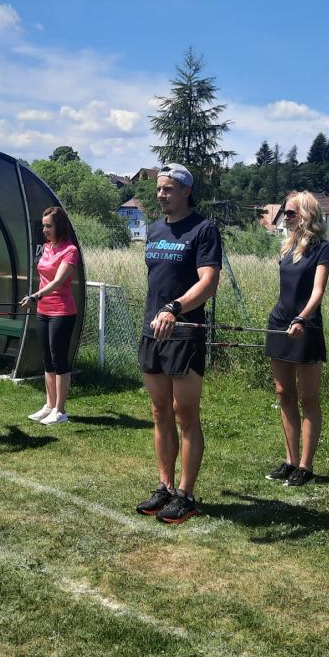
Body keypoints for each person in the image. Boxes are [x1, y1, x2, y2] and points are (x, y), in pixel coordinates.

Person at [134, 163, 222, 524]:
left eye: (168, 189)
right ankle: (165, 487)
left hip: (184, 332)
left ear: (186, 191)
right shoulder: (155, 229)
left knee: (185, 414)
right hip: (152, 330)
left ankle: (186, 494)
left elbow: (208, 282)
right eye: (159, 189)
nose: (161, 194)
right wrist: (159, 313)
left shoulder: (203, 229)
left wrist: (175, 308)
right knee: (160, 412)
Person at [262, 191, 329, 487]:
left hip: (306, 326)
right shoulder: (287, 248)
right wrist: (289, 319)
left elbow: (318, 291)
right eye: (285, 213)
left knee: (308, 398)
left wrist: (302, 318)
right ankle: (290, 461)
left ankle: (305, 466)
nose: (286, 217)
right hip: (279, 323)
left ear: (306, 214)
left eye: (291, 213)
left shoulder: (323, 249)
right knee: (284, 394)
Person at [19, 205, 81, 425]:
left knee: (59, 359)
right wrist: (36, 299)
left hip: (62, 312)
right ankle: (49, 405)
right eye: (44, 226)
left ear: (59, 226)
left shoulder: (70, 250)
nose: (44, 230)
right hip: (43, 310)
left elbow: (57, 281)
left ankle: (60, 411)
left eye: (49, 226)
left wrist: (34, 296)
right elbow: (44, 277)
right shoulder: (46, 247)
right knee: (47, 360)